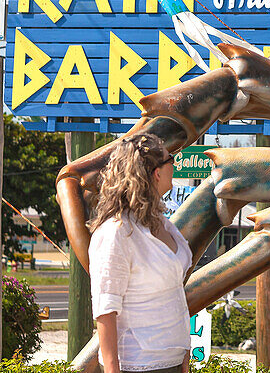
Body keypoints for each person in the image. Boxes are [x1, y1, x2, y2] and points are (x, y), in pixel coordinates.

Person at [89, 135, 193, 373]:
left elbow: (173, 295)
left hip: (173, 360)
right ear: (156, 172)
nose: (175, 166)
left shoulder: (163, 224)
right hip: (137, 365)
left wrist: (184, 356)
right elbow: (105, 309)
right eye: (171, 160)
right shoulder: (117, 233)